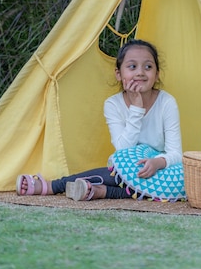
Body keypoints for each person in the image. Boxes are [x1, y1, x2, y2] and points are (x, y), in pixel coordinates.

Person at [16, 39, 185, 201]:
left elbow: (175, 153)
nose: (140, 72)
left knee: (176, 182)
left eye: (148, 67)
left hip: (160, 173)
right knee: (114, 173)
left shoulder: (166, 102)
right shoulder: (113, 104)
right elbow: (123, 149)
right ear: (119, 74)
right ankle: (57, 186)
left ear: (157, 75)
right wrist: (136, 109)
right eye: (132, 67)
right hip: (126, 169)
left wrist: (157, 162)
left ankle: (96, 190)